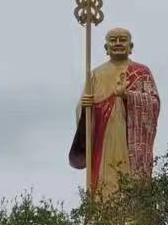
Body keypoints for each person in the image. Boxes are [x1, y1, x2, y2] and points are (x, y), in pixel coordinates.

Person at [69, 26, 160, 201]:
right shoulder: (95, 74)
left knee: (127, 183)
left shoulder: (141, 72)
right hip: (102, 139)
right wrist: (85, 106)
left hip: (128, 138)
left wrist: (128, 96)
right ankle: (100, 212)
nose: (118, 43)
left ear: (131, 45)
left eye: (122, 40)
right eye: (113, 40)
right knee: (103, 185)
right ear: (106, 47)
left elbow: (153, 103)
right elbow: (83, 108)